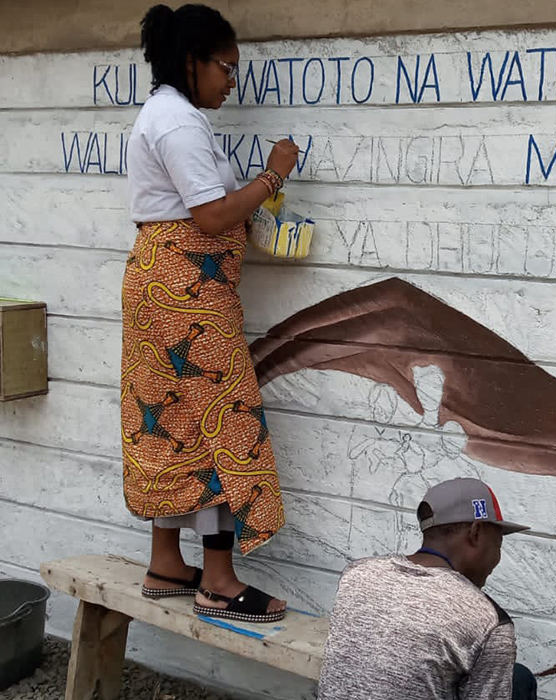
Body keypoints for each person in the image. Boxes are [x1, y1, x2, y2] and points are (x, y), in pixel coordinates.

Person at [120, 4, 299, 623]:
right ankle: (218, 580)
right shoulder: (177, 123)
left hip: (162, 286)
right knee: (226, 419)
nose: (231, 82)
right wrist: (271, 179)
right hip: (186, 292)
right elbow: (211, 216)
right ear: (192, 61)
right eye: (226, 67)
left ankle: (167, 562)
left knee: (170, 419)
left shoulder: (169, 116)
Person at [318, 478, 538, 699]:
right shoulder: (489, 621)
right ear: (476, 533)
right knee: (520, 680)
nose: (496, 557)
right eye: (498, 544)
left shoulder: (357, 574)